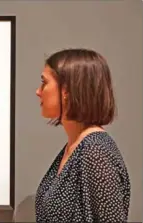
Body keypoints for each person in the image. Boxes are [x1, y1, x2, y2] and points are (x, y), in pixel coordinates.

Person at [34, 48, 131, 222]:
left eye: (44, 83)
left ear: (67, 91)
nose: (38, 91)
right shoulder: (76, 146)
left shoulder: (96, 151)